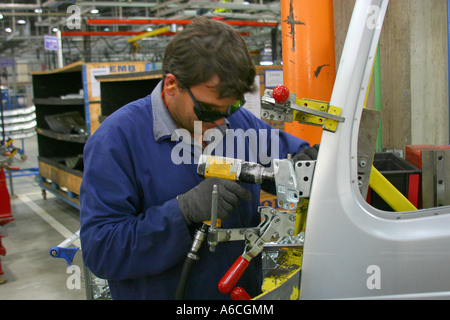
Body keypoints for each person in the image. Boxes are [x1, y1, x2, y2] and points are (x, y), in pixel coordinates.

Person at [80, 16, 312, 300]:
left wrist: (305, 162)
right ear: (171, 85)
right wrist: (183, 212)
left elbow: (286, 156)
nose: (219, 123)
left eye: (230, 108)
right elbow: (101, 249)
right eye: (207, 111)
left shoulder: (239, 123)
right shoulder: (116, 141)